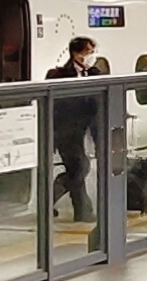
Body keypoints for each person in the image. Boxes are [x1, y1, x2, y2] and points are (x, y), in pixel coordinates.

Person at [45, 31, 104, 223]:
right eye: (89, 52)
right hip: (67, 131)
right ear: (76, 54)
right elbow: (53, 107)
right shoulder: (58, 75)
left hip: (89, 129)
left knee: (78, 168)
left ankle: (47, 200)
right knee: (80, 166)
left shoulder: (96, 74)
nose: (92, 56)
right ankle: (83, 211)